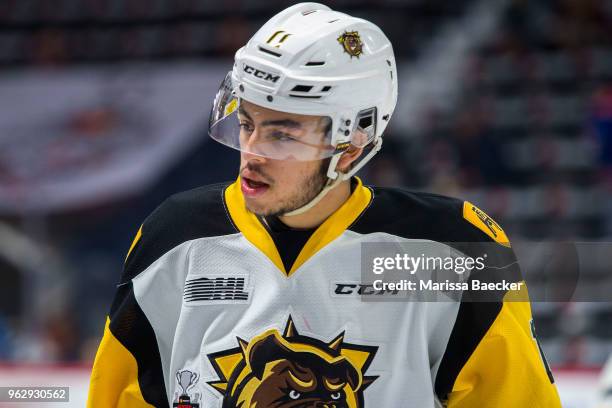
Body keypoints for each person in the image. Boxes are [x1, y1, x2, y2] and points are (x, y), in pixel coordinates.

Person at [87, 3, 561, 407]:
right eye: (247, 123)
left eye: (282, 134)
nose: (251, 151)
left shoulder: (451, 250)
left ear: (351, 146)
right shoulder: (176, 236)